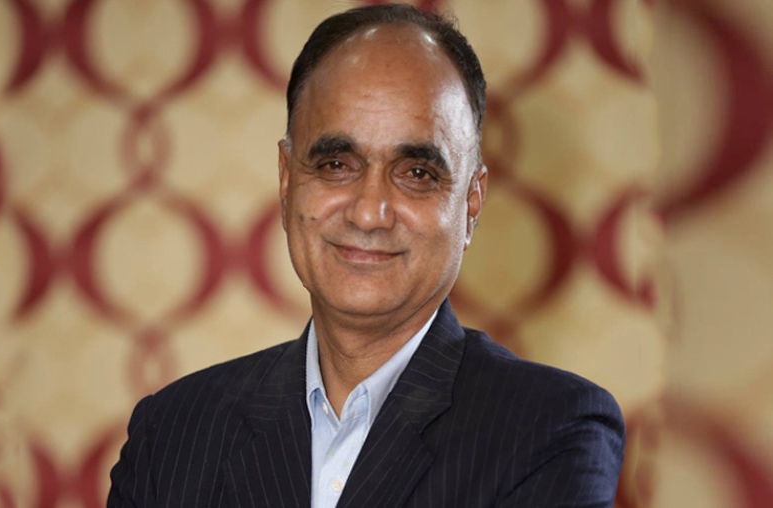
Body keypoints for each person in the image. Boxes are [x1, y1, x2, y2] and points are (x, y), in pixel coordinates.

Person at [107, 4, 625, 508]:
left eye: (416, 173)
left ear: (471, 204)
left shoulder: (550, 431)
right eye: (336, 164)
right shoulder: (172, 434)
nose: (369, 213)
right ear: (287, 181)